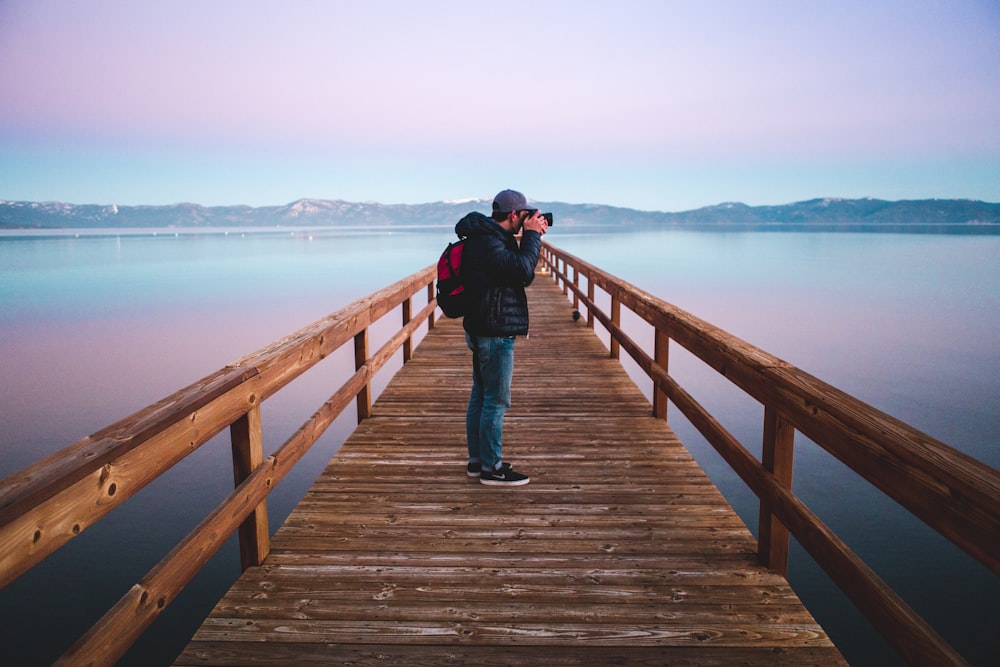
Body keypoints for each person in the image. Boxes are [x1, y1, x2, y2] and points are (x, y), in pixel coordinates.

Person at [456, 189, 548, 486]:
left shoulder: (489, 238)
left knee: (482, 396)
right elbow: (523, 270)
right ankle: (492, 469)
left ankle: (478, 461)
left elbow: (520, 270)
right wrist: (533, 237)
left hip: (484, 326)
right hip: (494, 331)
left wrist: (529, 238)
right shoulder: (489, 242)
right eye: (526, 216)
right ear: (513, 215)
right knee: (495, 401)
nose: (529, 220)